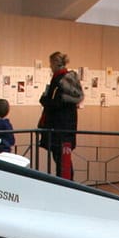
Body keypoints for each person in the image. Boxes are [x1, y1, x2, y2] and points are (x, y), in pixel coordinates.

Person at [38, 51, 84, 179]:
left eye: (50, 63)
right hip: (66, 128)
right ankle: (67, 186)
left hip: (59, 129)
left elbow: (55, 104)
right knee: (64, 161)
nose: (50, 67)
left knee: (61, 161)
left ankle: (65, 187)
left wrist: (44, 100)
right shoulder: (68, 80)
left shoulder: (59, 80)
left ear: (55, 63)